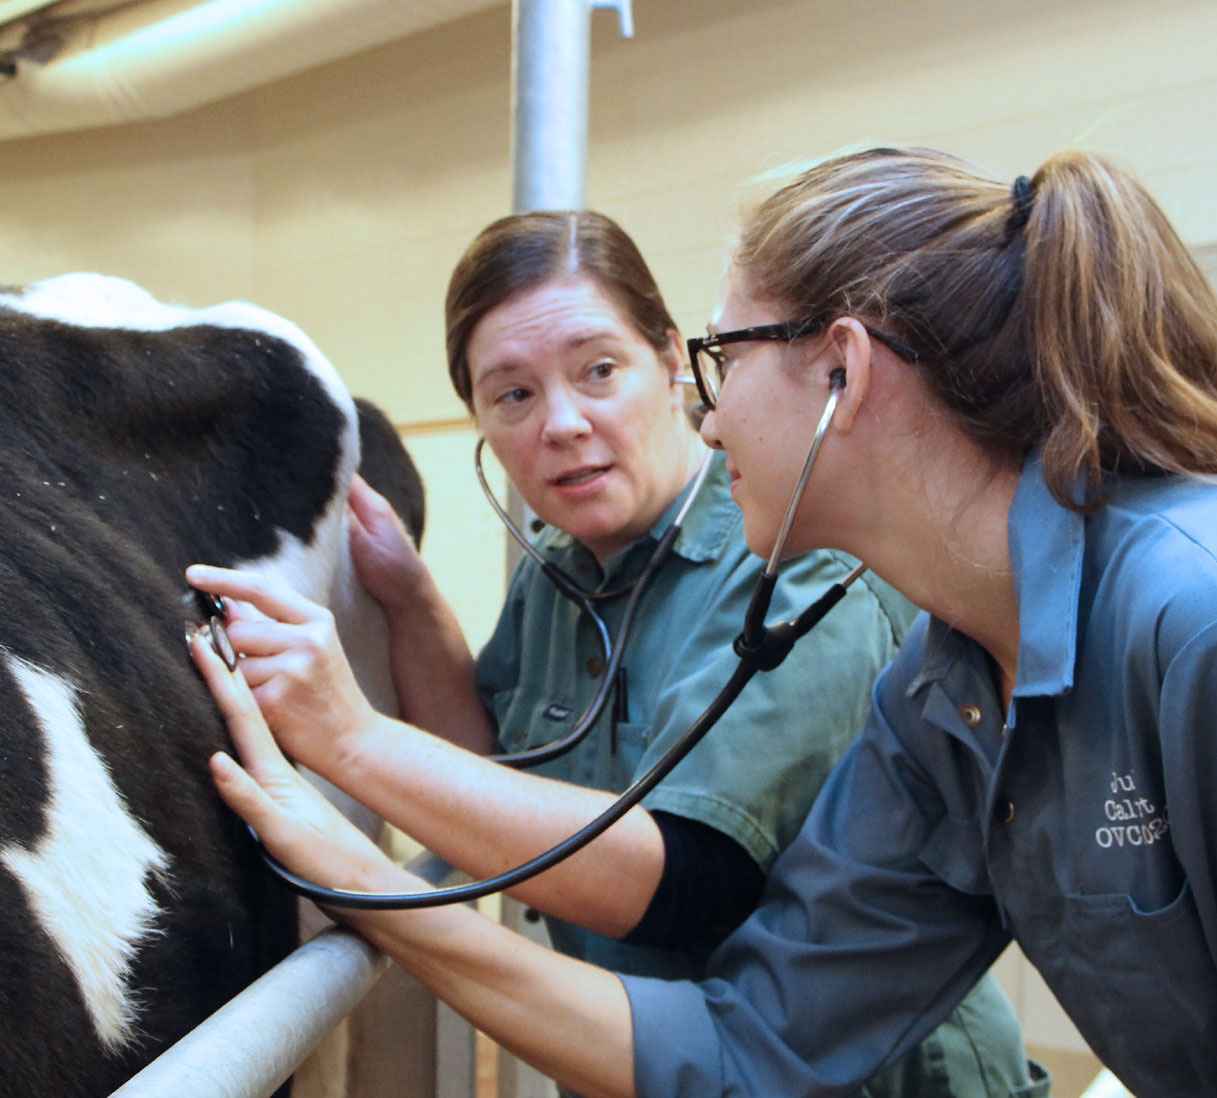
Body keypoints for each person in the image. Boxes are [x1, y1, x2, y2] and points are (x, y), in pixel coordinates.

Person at [180, 183, 1154, 1096]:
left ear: (668, 362)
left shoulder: (804, 563)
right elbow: (486, 771)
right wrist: (407, 600)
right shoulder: (561, 572)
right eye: (510, 395)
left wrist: (350, 747)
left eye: (598, 370)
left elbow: (688, 881)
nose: (561, 423)